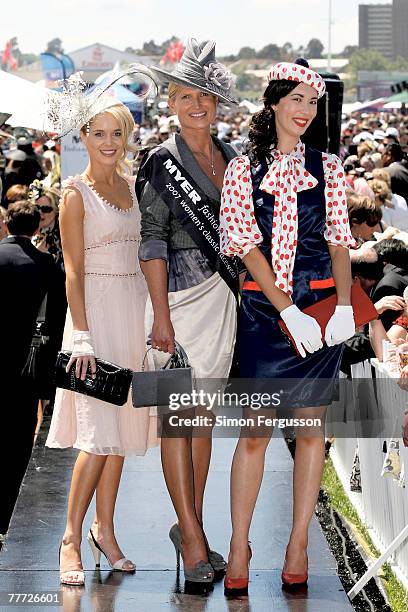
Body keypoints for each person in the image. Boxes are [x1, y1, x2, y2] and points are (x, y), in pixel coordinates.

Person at [220, 59, 357, 593]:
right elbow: (246, 247)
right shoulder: (243, 168)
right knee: (253, 434)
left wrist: (343, 305)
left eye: (312, 101)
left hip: (320, 312)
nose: (304, 110)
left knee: (309, 431)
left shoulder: (329, 166)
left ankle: (299, 540)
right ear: (273, 102)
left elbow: (339, 240)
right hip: (264, 312)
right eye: (295, 98)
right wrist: (285, 309)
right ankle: (238, 544)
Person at [44, 76, 157, 586]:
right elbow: (71, 271)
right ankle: (70, 538)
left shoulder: (133, 189)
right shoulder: (74, 195)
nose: (108, 142)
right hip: (93, 316)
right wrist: (82, 336)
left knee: (119, 434)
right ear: (83, 138)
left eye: (116, 133)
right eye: (97, 133)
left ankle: (105, 530)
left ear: (127, 136)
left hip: (132, 312)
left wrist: (156, 316)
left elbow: (145, 256)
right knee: (95, 435)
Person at [136, 38, 240, 584]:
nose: (195, 104)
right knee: (177, 423)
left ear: (216, 101)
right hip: (177, 301)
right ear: (170, 103)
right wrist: (160, 316)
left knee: (202, 424)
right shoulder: (160, 161)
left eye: (203, 95)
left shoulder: (234, 159)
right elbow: (150, 240)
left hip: (224, 304)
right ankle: (194, 539)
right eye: (183, 95)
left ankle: (191, 524)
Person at [0, 201, 55, 535]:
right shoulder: (46, 264)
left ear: (6, 223)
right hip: (27, 366)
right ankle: (4, 516)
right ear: (36, 228)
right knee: (18, 442)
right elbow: (55, 318)